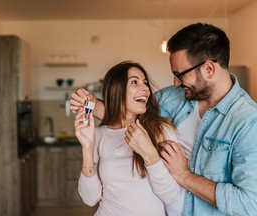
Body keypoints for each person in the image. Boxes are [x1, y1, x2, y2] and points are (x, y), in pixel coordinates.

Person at [70, 23, 257, 216]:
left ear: (209, 69)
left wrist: (184, 175)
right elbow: (128, 110)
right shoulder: (176, 97)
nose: (176, 82)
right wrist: (91, 104)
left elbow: (250, 204)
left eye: (180, 74)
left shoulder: (248, 122)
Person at [74, 60, 181, 216]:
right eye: (135, 82)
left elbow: (171, 195)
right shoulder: (99, 134)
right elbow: (90, 199)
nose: (145, 88)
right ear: (117, 90)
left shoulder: (162, 131)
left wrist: (150, 154)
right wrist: (87, 147)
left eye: (145, 83)